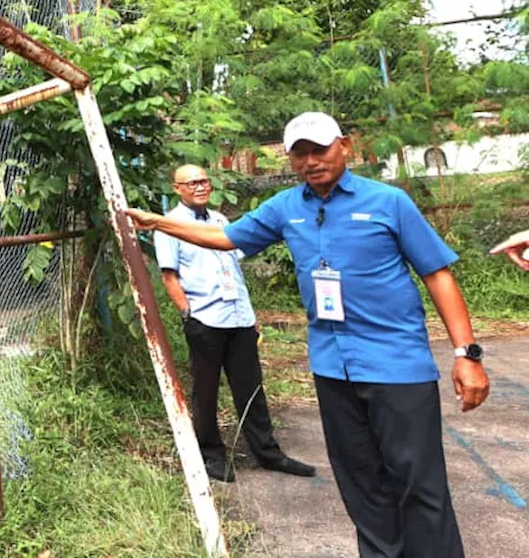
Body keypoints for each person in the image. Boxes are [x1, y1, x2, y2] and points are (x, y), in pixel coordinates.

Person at [126, 112, 489, 558]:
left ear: (345, 146)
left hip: (398, 366)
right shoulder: (286, 207)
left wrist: (466, 354)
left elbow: (438, 274)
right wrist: (158, 222)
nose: (312, 161)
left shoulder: (388, 202)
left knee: (419, 483)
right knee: (360, 482)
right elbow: (224, 237)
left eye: (320, 149)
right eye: (301, 153)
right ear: (291, 158)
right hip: (332, 367)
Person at [156, 164, 316, 483]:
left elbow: (233, 268)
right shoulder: (169, 226)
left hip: (238, 317)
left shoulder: (220, 220)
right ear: (177, 188)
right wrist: (188, 314)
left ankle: (268, 453)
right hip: (205, 318)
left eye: (204, 181)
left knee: (251, 387)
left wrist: (250, 313)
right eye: (191, 183)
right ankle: (212, 455)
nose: (200, 187)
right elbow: (169, 275)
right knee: (206, 390)